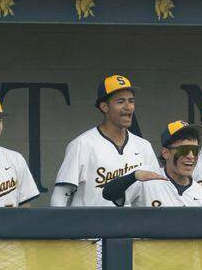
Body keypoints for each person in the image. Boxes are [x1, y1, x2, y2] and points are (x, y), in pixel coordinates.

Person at [52, 74, 159, 206]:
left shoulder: (144, 146)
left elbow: (154, 191)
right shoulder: (82, 144)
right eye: (121, 101)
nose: (128, 106)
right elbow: (60, 196)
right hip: (91, 225)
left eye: (131, 101)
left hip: (130, 225)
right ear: (104, 107)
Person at [103, 120, 202, 207]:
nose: (190, 156)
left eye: (194, 150)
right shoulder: (147, 179)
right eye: (183, 150)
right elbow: (108, 193)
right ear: (166, 153)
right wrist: (134, 176)